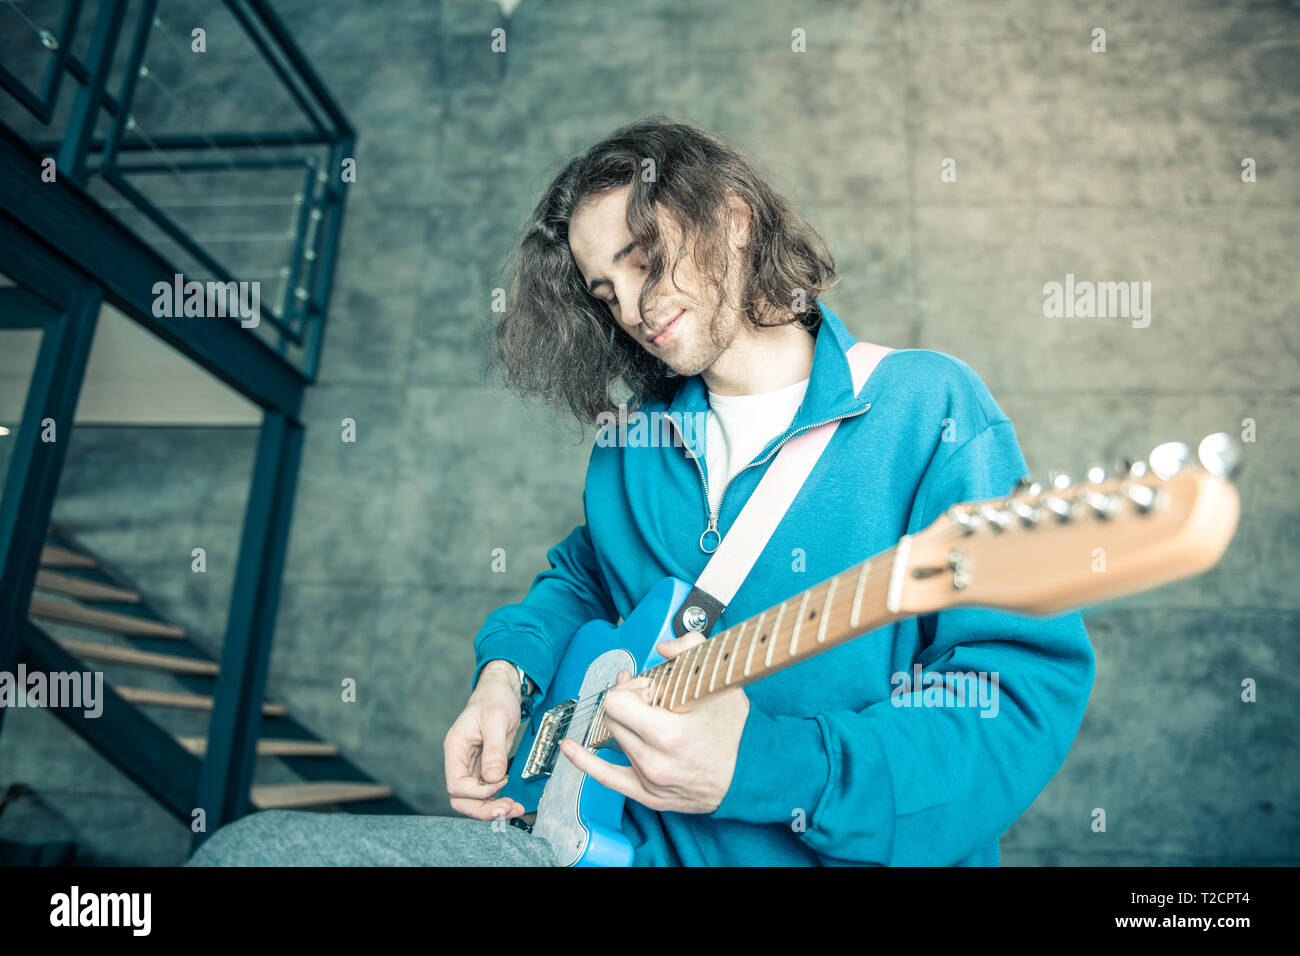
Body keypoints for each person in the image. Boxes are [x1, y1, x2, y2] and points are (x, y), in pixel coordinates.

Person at [189, 116, 1094, 867]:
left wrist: (768, 770)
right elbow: (584, 577)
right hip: (586, 835)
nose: (630, 306)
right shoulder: (634, 440)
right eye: (603, 288)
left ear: (734, 217)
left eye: (643, 258)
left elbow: (1011, 703)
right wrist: (507, 674)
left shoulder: (926, 407)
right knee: (247, 854)